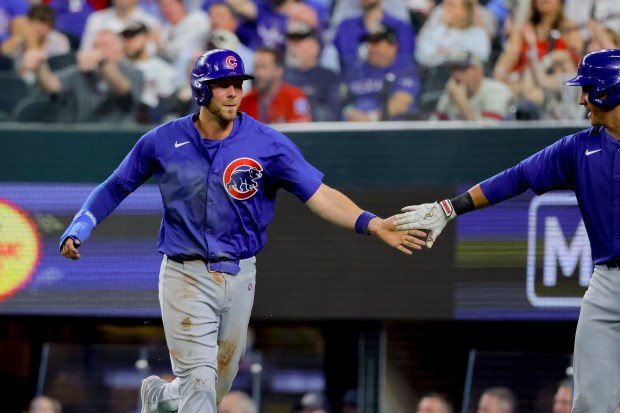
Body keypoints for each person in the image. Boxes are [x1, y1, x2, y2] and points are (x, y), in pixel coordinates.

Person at [58, 48, 424, 413]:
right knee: (199, 383)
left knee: (214, 386)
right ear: (201, 90)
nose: (234, 92)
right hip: (185, 274)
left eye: (238, 84)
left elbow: (319, 195)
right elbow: (115, 186)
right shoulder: (162, 140)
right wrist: (80, 227)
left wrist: (373, 223)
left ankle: (160, 398)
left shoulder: (268, 143)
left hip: (240, 274)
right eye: (223, 85)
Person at [394, 48, 620, 413]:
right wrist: (450, 208)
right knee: (591, 403)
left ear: (610, 90)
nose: (581, 98)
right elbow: (516, 178)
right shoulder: (579, 147)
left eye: (588, 88)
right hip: (607, 282)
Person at [31, 29, 143, 123]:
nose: (99, 50)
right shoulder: (82, 72)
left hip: (121, 138)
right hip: (85, 138)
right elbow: (52, 84)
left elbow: (122, 88)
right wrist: (40, 64)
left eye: (106, 46)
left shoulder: (133, 73)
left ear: (120, 52)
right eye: (96, 45)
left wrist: (103, 63)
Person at [342, 24, 420, 121]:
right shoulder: (357, 68)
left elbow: (401, 103)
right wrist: (350, 113)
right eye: (369, 43)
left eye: (376, 43)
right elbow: (345, 101)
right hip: (355, 129)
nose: (371, 48)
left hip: (392, 130)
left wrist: (370, 118)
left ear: (392, 46)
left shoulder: (404, 66)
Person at [283, 20, 342, 122]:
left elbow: (333, 111)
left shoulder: (328, 77)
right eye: (290, 42)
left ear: (314, 47)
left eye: (297, 42)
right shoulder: (281, 76)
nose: (291, 47)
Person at [430, 51, 513, 121]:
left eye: (463, 70)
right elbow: (432, 129)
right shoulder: (451, 94)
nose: (457, 75)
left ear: (479, 71)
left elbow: (488, 135)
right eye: (454, 70)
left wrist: (462, 103)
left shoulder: (496, 91)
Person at [239, 46, 313, 123]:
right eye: (256, 67)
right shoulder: (245, 101)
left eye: (263, 67)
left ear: (279, 70)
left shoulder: (295, 97)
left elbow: (302, 131)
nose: (257, 73)